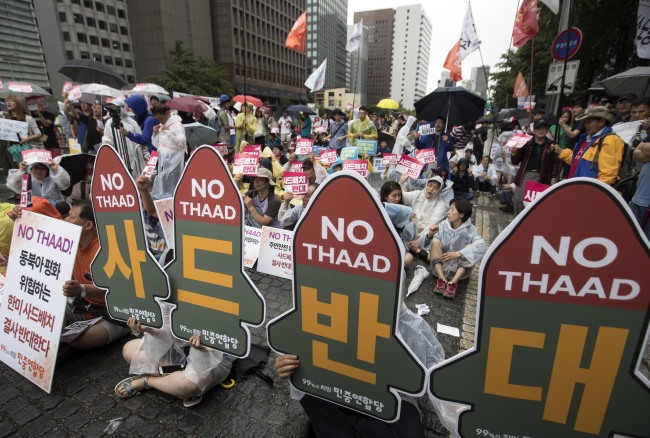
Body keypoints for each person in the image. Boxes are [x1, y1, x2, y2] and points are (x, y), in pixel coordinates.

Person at [114, 303, 235, 407]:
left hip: (210, 360)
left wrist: (202, 348)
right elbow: (165, 332)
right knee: (128, 350)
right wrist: (147, 329)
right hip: (176, 350)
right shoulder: (170, 288)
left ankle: (147, 381)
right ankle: (172, 384)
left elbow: (217, 349)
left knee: (187, 385)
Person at [58, 200, 129, 348]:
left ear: (88, 225)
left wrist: (81, 289)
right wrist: (19, 218)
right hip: (83, 305)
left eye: (72, 217)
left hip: (112, 312)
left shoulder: (106, 250)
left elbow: (118, 291)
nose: (65, 220)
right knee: (48, 317)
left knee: (86, 339)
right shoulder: (72, 243)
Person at [419, 198, 485, 299]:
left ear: (461, 215)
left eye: (452, 210)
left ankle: (453, 283)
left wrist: (459, 253)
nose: (448, 212)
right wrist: (430, 234)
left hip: (460, 271)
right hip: (441, 266)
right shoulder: (444, 225)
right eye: (449, 209)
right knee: (435, 241)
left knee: (469, 248)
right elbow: (424, 244)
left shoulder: (471, 231)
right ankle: (441, 279)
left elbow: (481, 246)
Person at [552, 106, 624, 185]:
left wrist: (589, 192)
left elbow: (607, 176)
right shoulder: (587, 138)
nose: (586, 125)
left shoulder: (610, 140)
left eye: (589, 122)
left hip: (589, 192)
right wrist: (561, 151)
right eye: (585, 122)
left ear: (601, 122)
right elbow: (578, 160)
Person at [511, 118, 560, 214]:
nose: (541, 130)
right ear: (534, 130)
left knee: (536, 204)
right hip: (526, 175)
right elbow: (516, 161)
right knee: (519, 201)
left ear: (547, 130)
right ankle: (518, 223)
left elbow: (556, 162)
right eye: (538, 128)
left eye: (544, 128)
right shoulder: (526, 142)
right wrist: (513, 153)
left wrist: (554, 177)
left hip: (543, 176)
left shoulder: (551, 144)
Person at [401, 175, 448, 259]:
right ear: (426, 185)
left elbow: (431, 225)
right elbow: (401, 196)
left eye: (435, 188)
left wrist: (419, 241)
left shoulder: (441, 205)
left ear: (439, 190)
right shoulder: (418, 194)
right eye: (429, 186)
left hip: (427, 234)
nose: (431, 189)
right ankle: (417, 250)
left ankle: (414, 248)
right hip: (411, 230)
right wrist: (401, 182)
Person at [102, 99, 147, 178]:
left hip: (135, 155)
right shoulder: (109, 123)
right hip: (120, 156)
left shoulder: (132, 122)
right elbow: (107, 139)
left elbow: (140, 137)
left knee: (138, 178)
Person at [151, 104, 186, 199]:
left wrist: (168, 132)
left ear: (167, 113)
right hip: (164, 161)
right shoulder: (163, 124)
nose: (160, 120)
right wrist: (155, 134)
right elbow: (156, 145)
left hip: (175, 162)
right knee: (164, 187)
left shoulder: (177, 125)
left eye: (161, 118)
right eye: (158, 119)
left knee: (174, 187)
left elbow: (182, 143)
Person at [3, 95, 43, 168]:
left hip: (28, 149)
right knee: (18, 172)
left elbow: (38, 134)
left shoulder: (28, 118)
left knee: (29, 170)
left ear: (18, 103)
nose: (8, 103)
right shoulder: (5, 119)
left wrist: (26, 139)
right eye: (7, 101)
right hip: (12, 150)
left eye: (11, 101)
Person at [630, 140, 650, 239]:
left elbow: (644, 148)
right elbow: (636, 155)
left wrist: (644, 148)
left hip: (647, 203)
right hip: (638, 198)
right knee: (631, 238)